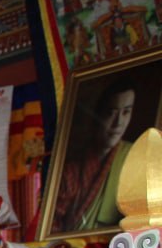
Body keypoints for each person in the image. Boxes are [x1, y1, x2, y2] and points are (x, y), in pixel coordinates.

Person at [54, 79, 135, 233]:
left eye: (126, 112)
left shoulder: (134, 158)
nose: (118, 123)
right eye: (111, 113)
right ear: (97, 115)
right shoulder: (72, 169)